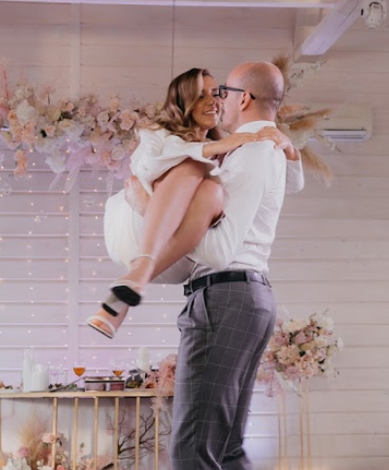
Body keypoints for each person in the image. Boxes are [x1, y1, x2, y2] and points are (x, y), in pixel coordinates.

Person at [140, 60, 310, 470]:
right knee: (228, 452)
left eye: (224, 92)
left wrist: (164, 244)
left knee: (190, 449)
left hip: (225, 296)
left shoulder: (255, 153)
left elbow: (216, 247)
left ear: (246, 98)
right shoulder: (265, 148)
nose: (218, 100)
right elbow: (287, 182)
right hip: (246, 297)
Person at [86, 67, 298, 338]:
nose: (213, 101)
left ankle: (127, 291)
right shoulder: (160, 134)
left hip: (175, 253)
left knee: (212, 192)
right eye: (200, 96)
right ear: (183, 102)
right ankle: (139, 270)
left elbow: (286, 183)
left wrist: (290, 150)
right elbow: (149, 166)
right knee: (193, 167)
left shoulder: (229, 150)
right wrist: (210, 149)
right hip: (136, 227)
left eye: (216, 93)